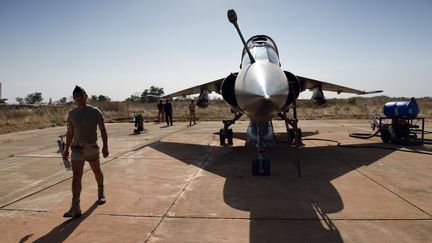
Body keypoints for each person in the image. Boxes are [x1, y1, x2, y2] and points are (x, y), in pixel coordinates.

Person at [62, 85, 109, 218]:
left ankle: (101, 191)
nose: (79, 98)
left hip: (91, 148)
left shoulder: (95, 111)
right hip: (77, 149)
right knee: (76, 176)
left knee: (96, 171)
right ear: (74, 98)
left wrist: (105, 146)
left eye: (81, 95)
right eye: (76, 96)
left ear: (86, 96)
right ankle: (75, 206)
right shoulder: (72, 114)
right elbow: (70, 133)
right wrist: (66, 149)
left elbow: (103, 130)